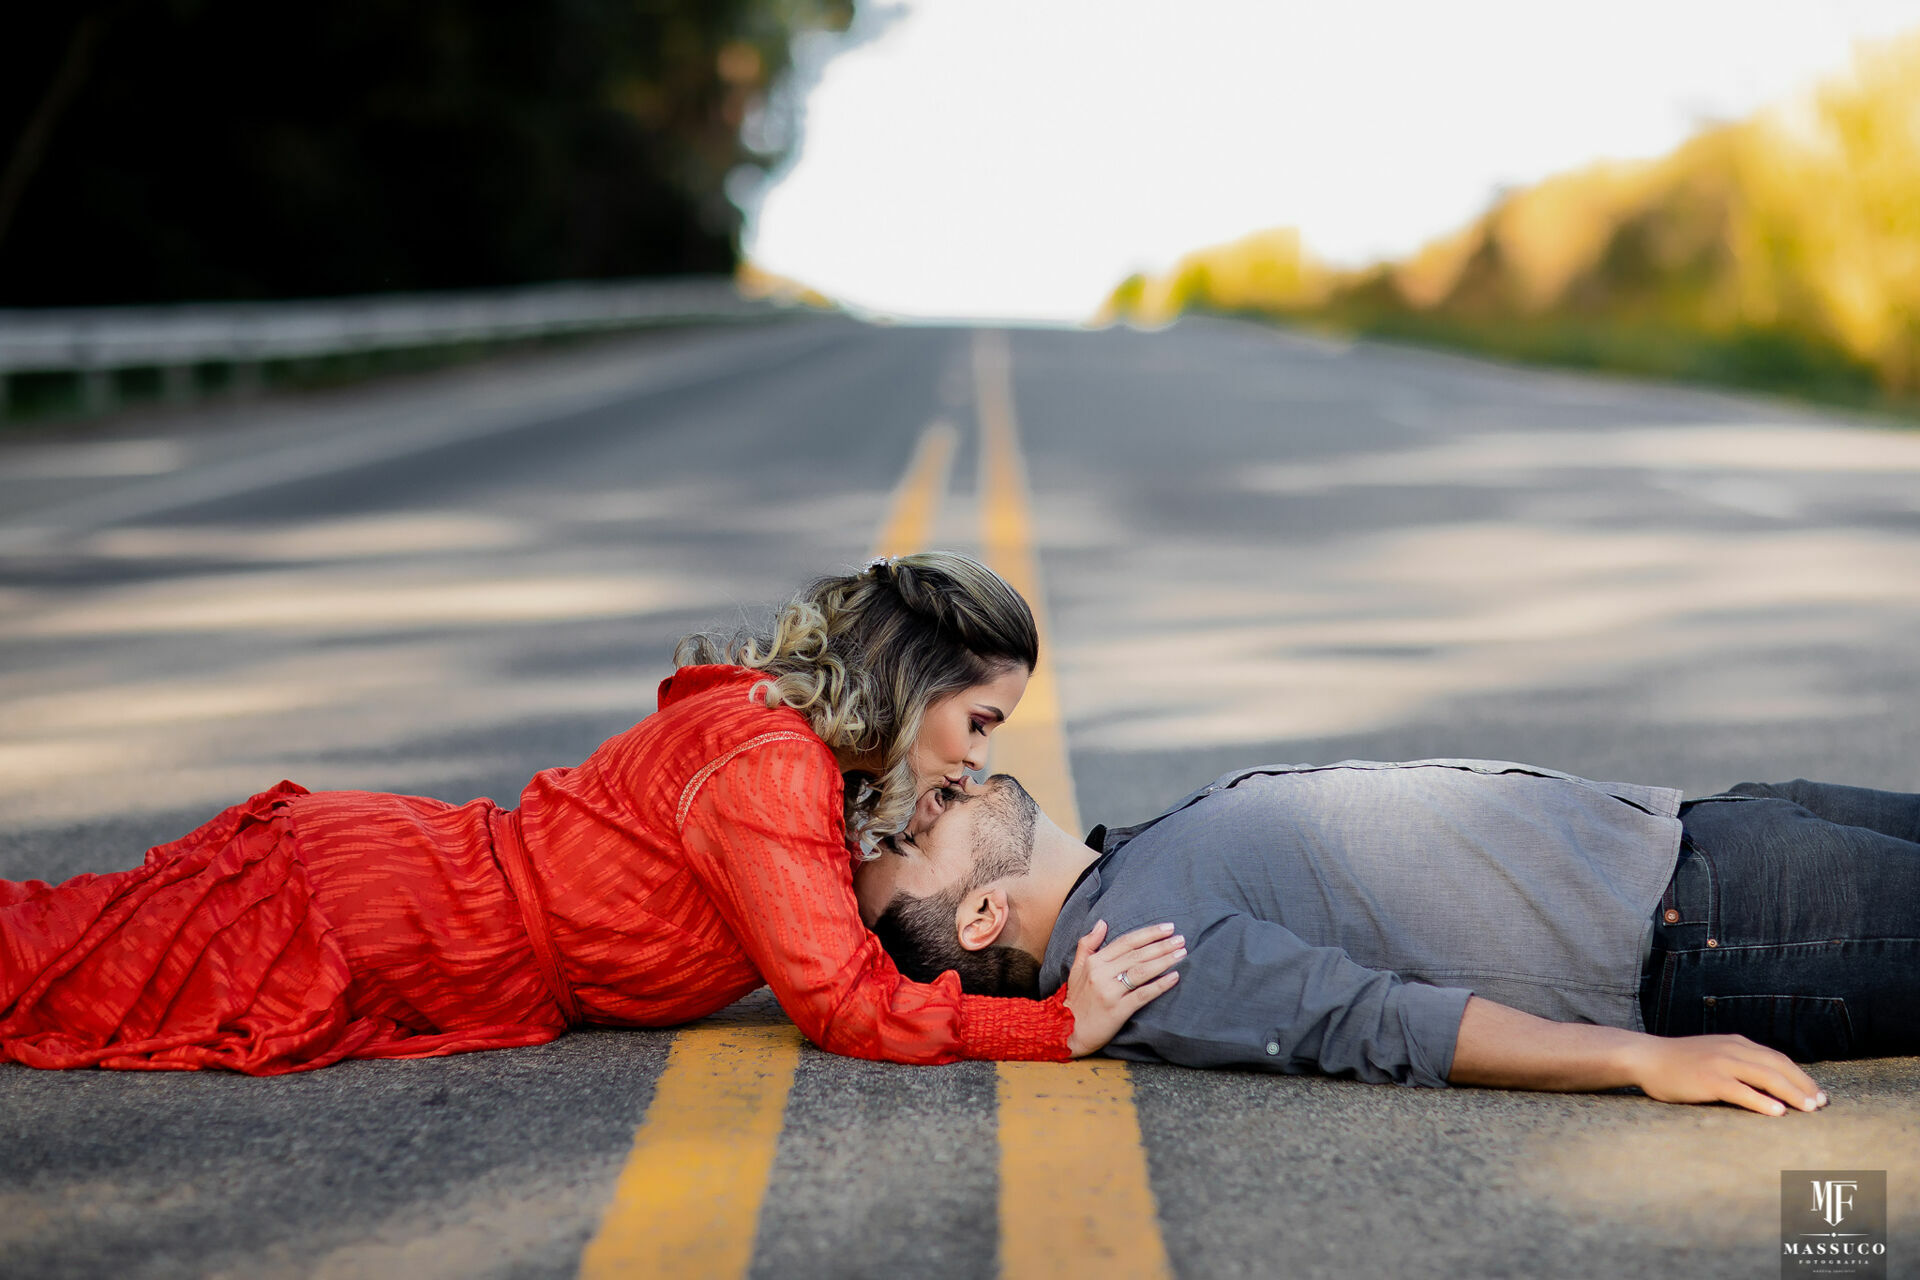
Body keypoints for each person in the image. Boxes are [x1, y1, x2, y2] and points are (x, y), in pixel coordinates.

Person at [0, 552, 1181, 1075]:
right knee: (41, 966)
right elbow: (837, 1001)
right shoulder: (771, 767)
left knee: (55, 945)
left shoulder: (793, 752)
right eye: (979, 722)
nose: (977, 761)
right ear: (921, 684)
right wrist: (1049, 1029)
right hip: (374, 910)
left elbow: (846, 930)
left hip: (401, 903)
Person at [859, 760, 1920, 1116]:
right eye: (921, 832)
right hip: (1722, 932)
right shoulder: (1137, 960)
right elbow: (1373, 1023)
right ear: (980, 914)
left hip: (1705, 828)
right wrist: (1640, 1059)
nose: (938, 785)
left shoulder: (1127, 865)